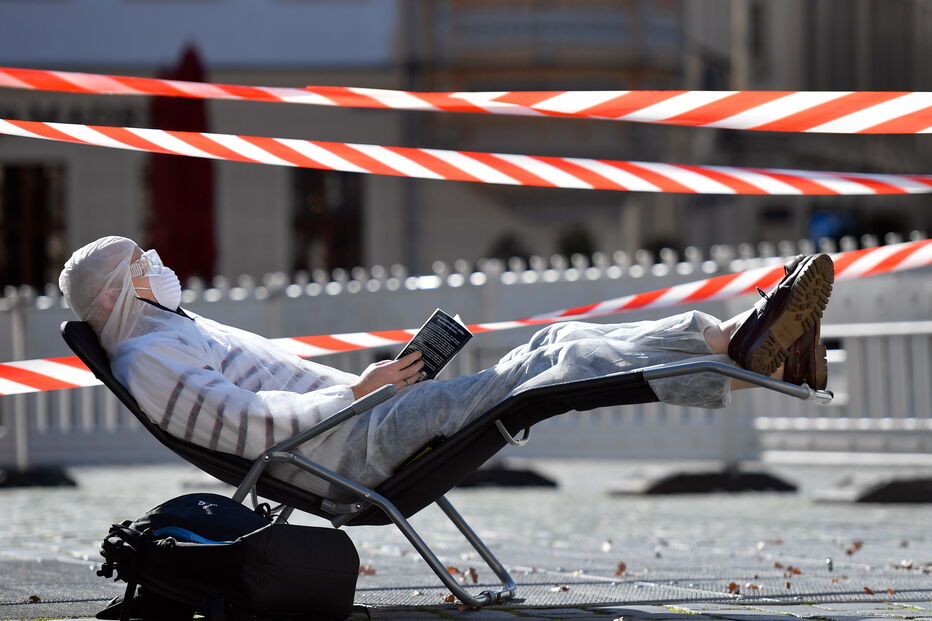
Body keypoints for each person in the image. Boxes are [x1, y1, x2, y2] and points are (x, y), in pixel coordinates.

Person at [59, 236, 833, 496]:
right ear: (120, 287)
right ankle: (737, 347)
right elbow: (247, 426)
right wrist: (361, 394)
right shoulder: (151, 355)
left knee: (550, 352)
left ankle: (736, 347)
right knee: (548, 366)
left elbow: (264, 399)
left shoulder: (167, 335)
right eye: (141, 262)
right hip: (346, 453)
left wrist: (371, 380)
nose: (155, 265)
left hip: (353, 427)